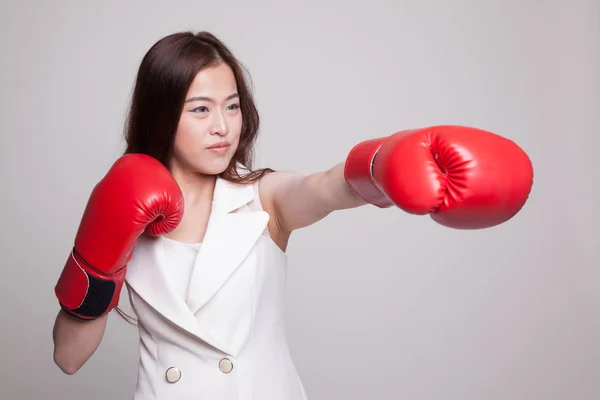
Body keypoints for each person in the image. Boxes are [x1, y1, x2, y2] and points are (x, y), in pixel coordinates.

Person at [51, 31, 534, 399]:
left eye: (232, 106)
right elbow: (68, 358)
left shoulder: (263, 198)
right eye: (200, 109)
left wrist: (384, 164)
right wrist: (97, 257)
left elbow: (322, 187)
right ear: (162, 114)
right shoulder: (123, 206)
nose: (223, 127)